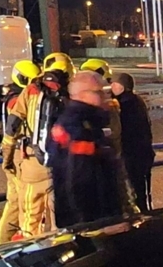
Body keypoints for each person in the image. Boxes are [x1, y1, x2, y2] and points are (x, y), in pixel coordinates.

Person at [3, 52, 72, 238]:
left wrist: (7, 160)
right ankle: (62, 248)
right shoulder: (73, 91)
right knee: (62, 220)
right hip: (64, 165)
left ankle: (31, 249)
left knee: (29, 218)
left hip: (33, 162)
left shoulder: (32, 90)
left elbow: (12, 126)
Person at [49, 71, 124, 227]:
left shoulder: (88, 121)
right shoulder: (78, 127)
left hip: (99, 218)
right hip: (93, 222)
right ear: (82, 95)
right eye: (99, 92)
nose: (106, 97)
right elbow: (77, 181)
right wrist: (90, 227)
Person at [0, 59, 40, 243]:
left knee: (21, 202)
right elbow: (16, 129)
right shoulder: (16, 100)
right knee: (16, 202)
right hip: (17, 154)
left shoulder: (16, 96)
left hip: (18, 153)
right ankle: (3, 245)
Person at [110, 72, 155, 212]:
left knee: (135, 190)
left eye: (115, 84)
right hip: (142, 153)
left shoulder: (125, 104)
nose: (112, 87)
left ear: (122, 87)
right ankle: (145, 211)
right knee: (141, 189)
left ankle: (141, 215)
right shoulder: (136, 101)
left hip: (133, 154)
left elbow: (125, 129)